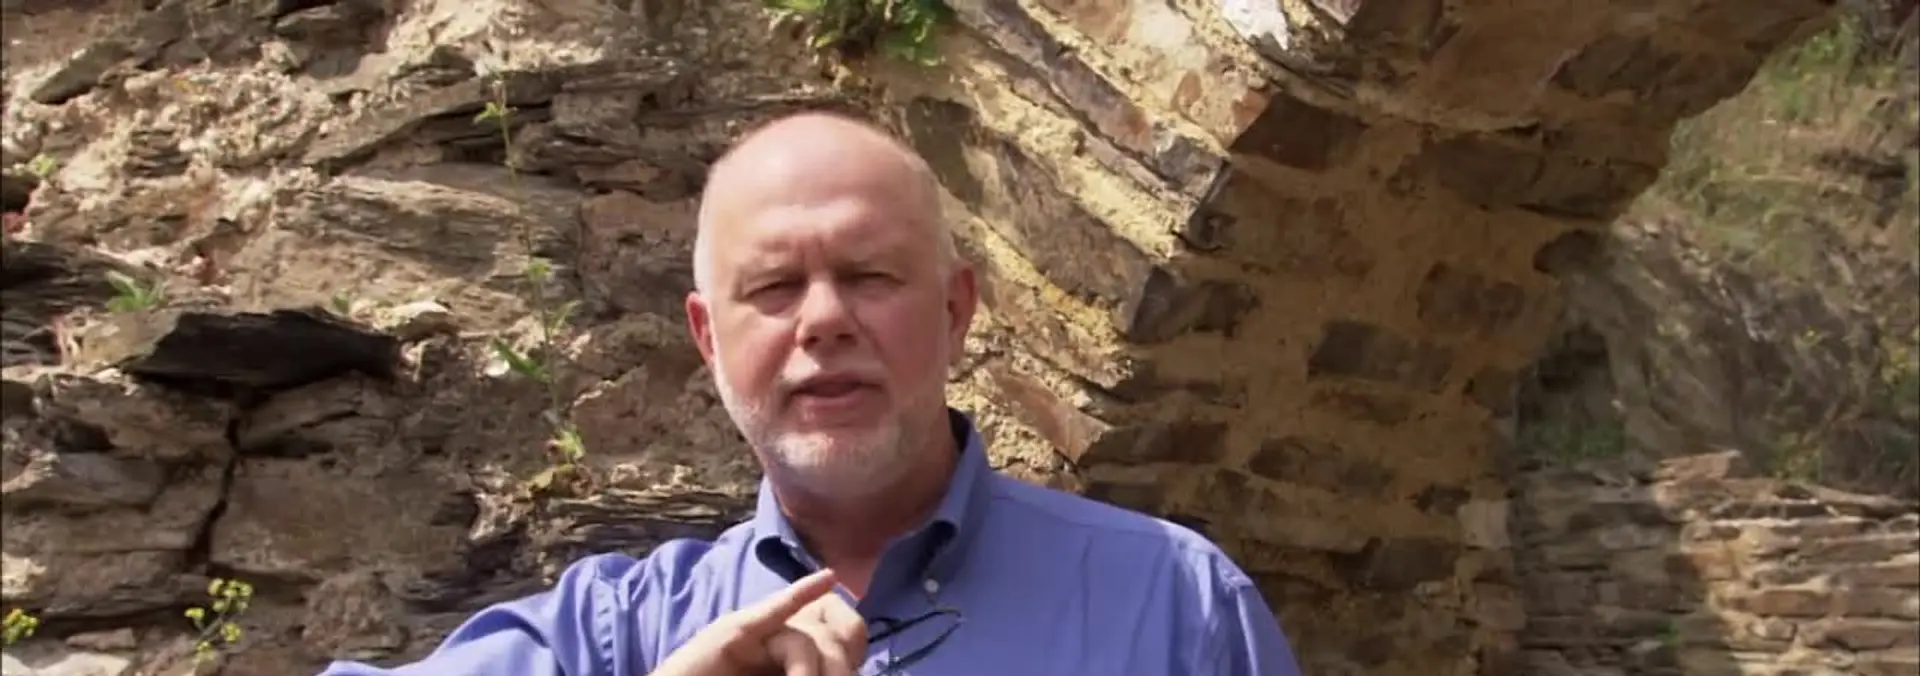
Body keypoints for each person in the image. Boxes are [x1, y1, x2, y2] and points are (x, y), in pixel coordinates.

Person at [317, 112, 1304, 676]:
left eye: (869, 276)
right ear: (709, 339)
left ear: (956, 310)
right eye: (774, 287)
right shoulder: (613, 638)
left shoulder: (1174, 607)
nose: (823, 320)